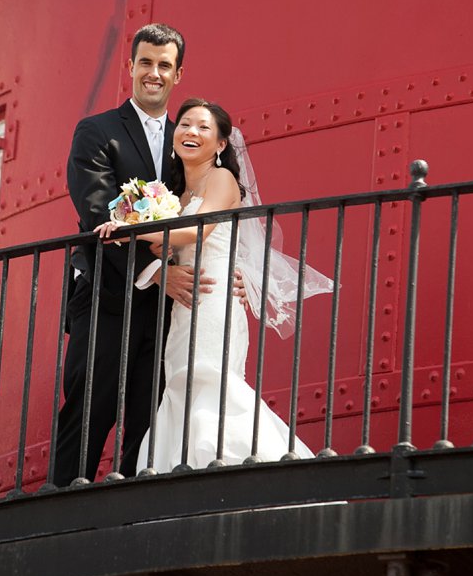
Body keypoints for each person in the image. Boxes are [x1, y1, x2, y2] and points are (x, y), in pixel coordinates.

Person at [96, 98, 334, 473]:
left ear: (222, 144)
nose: (191, 132)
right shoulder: (177, 197)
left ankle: (260, 468)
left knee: (210, 379)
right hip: (185, 303)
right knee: (181, 383)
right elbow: (164, 244)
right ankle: (186, 470)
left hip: (214, 296)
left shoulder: (221, 179)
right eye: (185, 124)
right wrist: (125, 234)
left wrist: (131, 230)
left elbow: (195, 231)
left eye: (203, 127)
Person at [54, 24, 218, 486]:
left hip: (168, 307)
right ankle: (62, 507)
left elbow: (203, 209)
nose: (154, 73)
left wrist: (227, 274)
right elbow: (96, 210)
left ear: (178, 74)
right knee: (90, 406)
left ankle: (128, 507)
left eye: (164, 65)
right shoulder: (97, 131)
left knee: (150, 413)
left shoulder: (186, 139)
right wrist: (154, 271)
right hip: (107, 293)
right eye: (146, 62)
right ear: (130, 66)